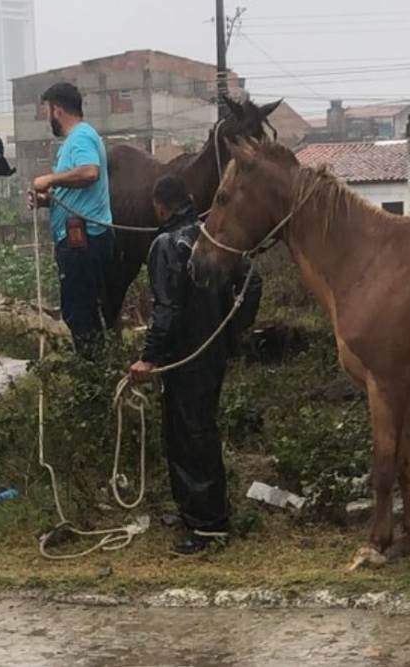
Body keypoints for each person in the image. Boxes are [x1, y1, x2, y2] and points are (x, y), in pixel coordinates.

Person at [129, 174, 261, 555]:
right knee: (194, 431)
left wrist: (149, 357)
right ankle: (194, 510)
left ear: (159, 206)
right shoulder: (214, 235)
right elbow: (252, 282)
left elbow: (166, 309)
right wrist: (231, 331)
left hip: (184, 358)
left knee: (190, 436)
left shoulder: (167, 245)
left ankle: (209, 526)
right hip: (211, 353)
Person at [28, 82, 114, 358]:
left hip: (83, 241)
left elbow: (90, 172)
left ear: (57, 110)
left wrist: (50, 179)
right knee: (82, 310)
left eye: (47, 112)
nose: (47, 119)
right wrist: (46, 199)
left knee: (80, 311)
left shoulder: (80, 137)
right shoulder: (76, 141)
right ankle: (94, 370)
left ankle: (92, 376)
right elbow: (77, 188)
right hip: (81, 240)